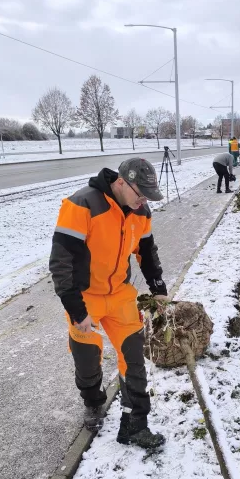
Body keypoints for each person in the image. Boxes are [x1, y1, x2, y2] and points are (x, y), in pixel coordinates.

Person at [49, 158, 169, 450]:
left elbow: (146, 250)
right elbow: (60, 263)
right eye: (139, 194)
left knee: (134, 358)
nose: (142, 202)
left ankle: (134, 424)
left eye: (146, 197)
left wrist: (157, 286)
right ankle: (93, 399)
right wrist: (77, 311)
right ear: (120, 182)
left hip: (119, 295)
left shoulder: (141, 212)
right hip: (85, 296)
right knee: (87, 359)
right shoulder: (83, 205)